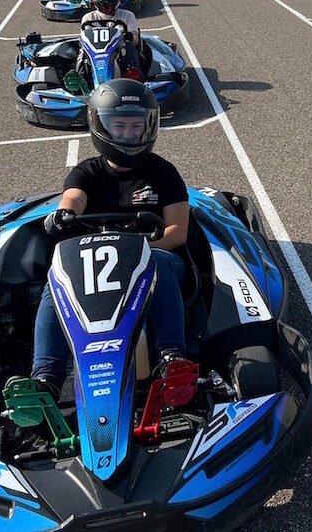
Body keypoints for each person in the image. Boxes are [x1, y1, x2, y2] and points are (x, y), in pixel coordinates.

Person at [32, 79, 190, 395]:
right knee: (57, 281)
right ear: (100, 126)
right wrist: (65, 213)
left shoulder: (163, 172)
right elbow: (73, 198)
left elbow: (177, 232)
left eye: (136, 126)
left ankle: (172, 356)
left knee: (157, 264)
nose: (128, 134)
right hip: (94, 265)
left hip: (153, 256)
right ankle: (45, 378)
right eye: (119, 126)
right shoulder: (87, 172)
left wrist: (139, 251)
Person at [80, 0, 144, 79]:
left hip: (120, 55)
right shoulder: (88, 18)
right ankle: (82, 77)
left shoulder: (127, 15)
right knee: (82, 51)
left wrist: (127, 36)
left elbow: (135, 39)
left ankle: (133, 75)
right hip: (96, 56)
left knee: (129, 46)